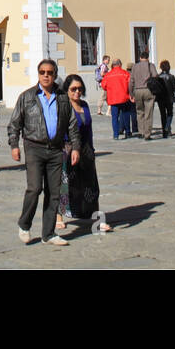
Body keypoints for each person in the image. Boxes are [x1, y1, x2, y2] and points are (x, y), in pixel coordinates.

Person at [8, 59, 81, 246]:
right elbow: (14, 123)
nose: (46, 75)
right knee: (34, 188)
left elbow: (72, 125)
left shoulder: (63, 97)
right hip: (34, 147)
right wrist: (14, 145)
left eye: (49, 72)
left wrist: (75, 147)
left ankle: (48, 233)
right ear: (38, 74)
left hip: (56, 149)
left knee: (54, 192)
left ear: (55, 75)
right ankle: (24, 224)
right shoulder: (27, 97)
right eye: (42, 72)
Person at [58, 74, 111, 232]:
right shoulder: (63, 106)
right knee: (64, 185)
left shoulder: (85, 105)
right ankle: (58, 216)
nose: (77, 92)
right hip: (67, 149)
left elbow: (89, 130)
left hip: (86, 150)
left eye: (80, 89)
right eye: (73, 89)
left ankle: (96, 219)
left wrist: (91, 149)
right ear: (66, 90)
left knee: (91, 185)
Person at [101, 58, 133, 139]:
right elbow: (130, 84)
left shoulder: (108, 75)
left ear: (112, 65)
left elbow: (104, 86)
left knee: (114, 117)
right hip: (124, 98)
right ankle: (128, 132)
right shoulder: (125, 74)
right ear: (120, 64)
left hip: (113, 99)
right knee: (126, 115)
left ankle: (116, 134)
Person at [130, 50, 157, 141]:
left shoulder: (135, 66)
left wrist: (131, 93)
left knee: (139, 112)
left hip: (137, 90)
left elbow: (131, 81)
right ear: (147, 58)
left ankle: (141, 131)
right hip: (148, 90)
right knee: (148, 113)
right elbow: (155, 75)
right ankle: (147, 134)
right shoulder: (151, 65)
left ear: (140, 58)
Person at [153, 60, 175, 138]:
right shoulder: (171, 77)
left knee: (163, 114)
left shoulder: (157, 77)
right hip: (169, 98)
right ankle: (167, 126)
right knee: (170, 113)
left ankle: (165, 132)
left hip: (160, 98)